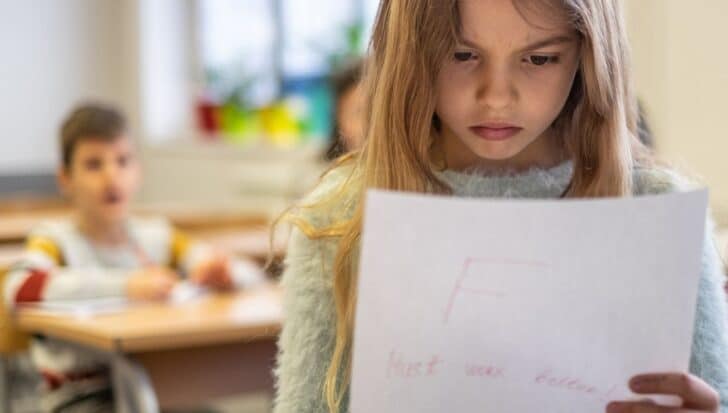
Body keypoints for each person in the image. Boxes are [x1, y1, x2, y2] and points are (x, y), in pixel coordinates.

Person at [272, 1, 728, 412]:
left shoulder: (660, 215)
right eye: (462, 55)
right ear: (411, 54)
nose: (496, 97)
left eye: (540, 59)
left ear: (588, 57)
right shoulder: (337, 221)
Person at [4, 102, 263, 412]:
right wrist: (127, 285)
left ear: (138, 172)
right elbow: (20, 287)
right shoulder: (55, 239)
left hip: (157, 388)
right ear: (65, 178)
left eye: (123, 161)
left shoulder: (156, 236)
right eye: (94, 165)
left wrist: (224, 274)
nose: (112, 177)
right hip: (82, 398)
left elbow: (246, 272)